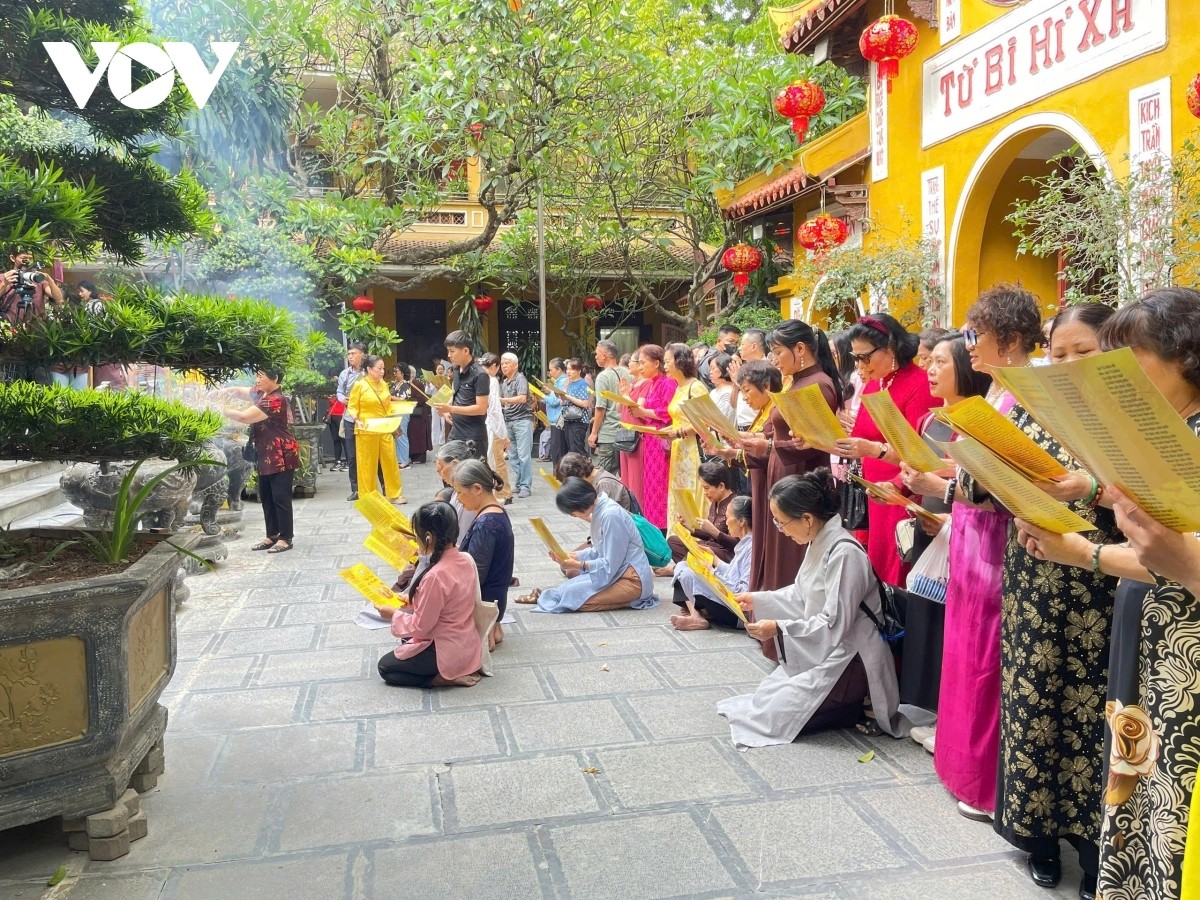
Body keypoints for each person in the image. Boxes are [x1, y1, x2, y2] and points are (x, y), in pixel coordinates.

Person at [1014, 288, 1200, 900]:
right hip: (1152, 642)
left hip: (1184, 656)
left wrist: (1083, 552)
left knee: (1171, 795)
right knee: (1140, 782)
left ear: (1186, 357)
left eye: (1128, 362)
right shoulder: (1165, 431)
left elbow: (1171, 554)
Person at [981, 303, 1119, 896]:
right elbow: (988, 484)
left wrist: (1090, 489)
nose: (1067, 364)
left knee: (1093, 715)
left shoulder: (1129, 416)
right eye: (1058, 353)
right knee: (1034, 702)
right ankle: (1037, 838)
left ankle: (1094, 851)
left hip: (1101, 585)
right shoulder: (1031, 408)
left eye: (1083, 352)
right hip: (1034, 580)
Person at [928, 285, 1041, 823]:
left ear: (1011, 339)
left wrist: (952, 482)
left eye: (977, 334)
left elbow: (1012, 478)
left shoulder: (1025, 397)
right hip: (972, 533)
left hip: (996, 538)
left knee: (987, 656)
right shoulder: (996, 393)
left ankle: (984, 781)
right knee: (965, 648)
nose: (969, 345)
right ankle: (960, 768)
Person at [717, 470, 906, 747]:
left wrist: (778, 628)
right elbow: (801, 594)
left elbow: (834, 623)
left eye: (782, 522)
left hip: (851, 654)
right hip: (827, 645)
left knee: (776, 715)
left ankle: (858, 701)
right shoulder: (819, 540)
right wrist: (757, 599)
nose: (780, 530)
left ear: (806, 519)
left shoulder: (845, 552)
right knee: (766, 698)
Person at [895, 333, 992, 733]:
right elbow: (920, 469)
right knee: (926, 609)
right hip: (928, 518)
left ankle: (944, 710)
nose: (930, 370)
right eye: (929, 361)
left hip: (960, 524)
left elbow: (978, 483)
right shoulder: (931, 418)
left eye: (940, 362)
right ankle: (922, 702)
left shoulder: (980, 418)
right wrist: (905, 483)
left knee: (951, 620)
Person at [733, 320, 842, 594]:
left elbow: (815, 444)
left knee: (790, 560)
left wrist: (769, 446)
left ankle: (787, 619)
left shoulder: (819, 385)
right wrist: (761, 442)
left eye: (778, 352)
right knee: (778, 553)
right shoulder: (797, 382)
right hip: (784, 473)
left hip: (800, 481)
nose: (775, 359)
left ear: (800, 349)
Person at [833, 313, 938, 586]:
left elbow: (920, 451)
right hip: (876, 490)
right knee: (878, 566)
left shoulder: (919, 383)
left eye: (864, 357)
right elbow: (861, 435)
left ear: (890, 347)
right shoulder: (875, 383)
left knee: (899, 565)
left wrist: (874, 449)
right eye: (855, 358)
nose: (860, 365)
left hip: (902, 489)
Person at [376, 501, 483, 688]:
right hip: (466, 643)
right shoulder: (464, 559)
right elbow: (449, 603)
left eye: (416, 536)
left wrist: (393, 615)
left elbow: (421, 626)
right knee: (406, 639)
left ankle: (441, 679)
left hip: (444, 649)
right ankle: (450, 670)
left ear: (428, 537)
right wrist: (414, 602)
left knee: (385, 667)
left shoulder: (435, 575)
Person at [520, 477, 657, 613]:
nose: (573, 516)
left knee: (573, 600)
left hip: (632, 579)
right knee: (568, 590)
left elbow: (610, 563)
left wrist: (578, 565)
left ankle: (631, 600)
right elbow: (600, 550)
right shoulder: (601, 510)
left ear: (580, 504)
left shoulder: (610, 515)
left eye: (572, 512)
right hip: (619, 572)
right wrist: (573, 556)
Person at [220, 369, 299, 554]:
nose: (257, 380)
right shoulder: (261, 393)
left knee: (280, 497)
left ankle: (285, 538)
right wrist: (221, 392)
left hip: (280, 453)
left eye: (261, 376)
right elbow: (240, 391)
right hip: (265, 453)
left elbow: (244, 417)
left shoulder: (275, 399)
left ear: (275, 378)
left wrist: (221, 409)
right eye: (256, 376)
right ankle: (272, 535)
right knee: (267, 496)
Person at [452, 459, 514, 649]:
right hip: (496, 598)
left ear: (477, 488)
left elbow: (475, 574)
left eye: (460, 492)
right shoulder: (495, 512)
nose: (458, 499)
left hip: (486, 600)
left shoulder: (486, 523)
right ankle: (492, 628)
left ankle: (487, 630)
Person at [670, 494, 753, 631]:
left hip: (737, 612)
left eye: (728, 518)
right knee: (683, 566)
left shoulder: (751, 547)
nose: (726, 522)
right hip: (727, 600)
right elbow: (732, 573)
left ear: (741, 521)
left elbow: (741, 591)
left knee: (685, 573)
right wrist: (715, 559)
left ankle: (697, 614)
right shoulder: (745, 543)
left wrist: (711, 573)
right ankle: (697, 614)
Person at [663, 342, 710, 535]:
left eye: (667, 361)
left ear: (680, 361)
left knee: (693, 491)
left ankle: (696, 536)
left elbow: (705, 421)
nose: (665, 366)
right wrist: (666, 431)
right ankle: (679, 538)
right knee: (680, 493)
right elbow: (679, 420)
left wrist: (678, 433)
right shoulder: (679, 387)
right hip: (679, 451)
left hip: (693, 451)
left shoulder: (696, 387)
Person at [347, 354, 404, 503]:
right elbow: (352, 406)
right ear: (369, 369)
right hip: (366, 427)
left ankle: (394, 494)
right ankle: (368, 496)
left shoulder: (384, 384)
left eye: (383, 368)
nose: (382, 371)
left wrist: (401, 409)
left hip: (384, 426)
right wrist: (356, 420)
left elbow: (387, 405)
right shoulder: (360, 385)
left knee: (390, 460)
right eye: (379, 368)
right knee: (367, 463)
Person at [666, 460, 739, 564]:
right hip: (710, 546)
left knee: (701, 549)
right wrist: (689, 527)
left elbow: (737, 544)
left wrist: (715, 532)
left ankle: (682, 567)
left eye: (707, 488)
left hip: (726, 553)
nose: (705, 493)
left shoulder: (735, 504)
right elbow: (710, 536)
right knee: (673, 541)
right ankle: (690, 566)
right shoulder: (715, 502)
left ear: (721, 486)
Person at [441, 331, 489, 458]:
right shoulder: (456, 370)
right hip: (455, 432)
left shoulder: (480, 374)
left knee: (471, 470)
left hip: (473, 436)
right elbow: (454, 394)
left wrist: (451, 409)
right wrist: (446, 409)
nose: (449, 355)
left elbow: (481, 408)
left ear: (466, 351)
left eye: (452, 351)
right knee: (448, 468)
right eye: (448, 351)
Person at [589, 339, 628, 477]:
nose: (596, 357)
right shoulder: (628, 373)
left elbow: (601, 408)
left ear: (604, 356)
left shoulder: (603, 377)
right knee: (625, 476)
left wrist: (594, 432)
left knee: (603, 476)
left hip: (609, 433)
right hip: (627, 433)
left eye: (597, 354)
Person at [479, 353, 513, 505]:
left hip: (476, 422)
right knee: (493, 461)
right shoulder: (491, 380)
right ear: (494, 366)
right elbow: (494, 409)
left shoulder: (475, 377)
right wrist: (504, 434)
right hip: (489, 425)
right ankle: (496, 493)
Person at [619, 349, 650, 511]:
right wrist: (622, 395)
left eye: (632, 360)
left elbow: (639, 408)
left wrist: (625, 395)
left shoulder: (646, 383)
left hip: (637, 436)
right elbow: (620, 408)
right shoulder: (632, 384)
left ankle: (638, 513)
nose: (628, 364)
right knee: (626, 477)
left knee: (636, 478)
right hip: (625, 434)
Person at [499, 352, 534, 499]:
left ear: (515, 365)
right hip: (508, 421)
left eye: (507, 363)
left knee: (524, 455)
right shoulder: (504, 382)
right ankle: (520, 483)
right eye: (502, 363)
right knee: (513, 455)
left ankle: (525, 486)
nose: (503, 366)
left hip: (522, 420)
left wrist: (503, 400)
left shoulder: (520, 379)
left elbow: (522, 398)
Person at [1, 247, 63, 327]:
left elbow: (58, 297)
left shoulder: (36, 278)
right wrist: (4, 283)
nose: (27, 261)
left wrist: (50, 281)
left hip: (37, 328)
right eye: (23, 258)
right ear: (12, 258)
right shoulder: (4, 277)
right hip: (12, 327)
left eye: (30, 258)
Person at [336, 342, 366, 500]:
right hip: (349, 418)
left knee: (370, 454)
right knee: (352, 456)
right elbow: (339, 392)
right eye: (348, 354)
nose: (350, 357)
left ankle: (376, 486)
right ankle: (356, 489)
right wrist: (343, 399)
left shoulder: (369, 372)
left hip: (367, 417)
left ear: (362, 354)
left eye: (353, 353)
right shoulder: (345, 374)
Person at [557, 451, 635, 512]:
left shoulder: (605, 484)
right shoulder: (596, 479)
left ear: (579, 476)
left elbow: (608, 519)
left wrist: (581, 514)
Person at [560, 358, 593, 456]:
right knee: (571, 449)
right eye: (567, 369)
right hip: (568, 419)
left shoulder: (583, 384)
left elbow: (585, 403)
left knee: (577, 449)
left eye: (571, 369)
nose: (568, 371)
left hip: (579, 421)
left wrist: (568, 397)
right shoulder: (569, 383)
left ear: (579, 371)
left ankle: (584, 464)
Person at [406, 367, 434, 464]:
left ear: (412, 374)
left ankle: (419, 457)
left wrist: (407, 400)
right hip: (411, 414)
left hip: (419, 414)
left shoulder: (417, 384)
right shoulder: (406, 384)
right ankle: (412, 455)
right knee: (412, 435)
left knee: (419, 435)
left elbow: (421, 399)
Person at [544, 358, 568, 467]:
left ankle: (559, 474)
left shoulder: (562, 381)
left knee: (558, 453)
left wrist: (543, 397)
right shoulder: (558, 381)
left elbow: (554, 401)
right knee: (558, 452)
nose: (550, 373)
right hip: (556, 420)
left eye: (551, 370)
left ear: (559, 369)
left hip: (558, 421)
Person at [389, 363, 413, 469]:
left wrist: (390, 396)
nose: (394, 374)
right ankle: (399, 459)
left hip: (402, 412)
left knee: (401, 435)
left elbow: (403, 399)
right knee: (396, 435)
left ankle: (404, 460)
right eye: (393, 371)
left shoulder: (405, 384)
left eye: (396, 371)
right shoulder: (394, 384)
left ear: (402, 373)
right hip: (394, 412)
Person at [707, 353, 737, 422]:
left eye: (713, 368)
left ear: (723, 368)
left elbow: (724, 419)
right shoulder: (714, 391)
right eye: (710, 368)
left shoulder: (729, 392)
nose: (710, 372)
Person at [326, 376, 347, 471]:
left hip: (341, 414)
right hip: (332, 415)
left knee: (344, 439)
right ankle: (337, 461)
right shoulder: (331, 390)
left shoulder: (344, 388)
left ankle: (348, 461)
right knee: (335, 439)